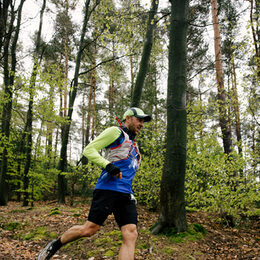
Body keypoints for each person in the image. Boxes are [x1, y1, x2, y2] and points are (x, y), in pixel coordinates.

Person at [37, 107, 151, 260]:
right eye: (139, 119)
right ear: (128, 118)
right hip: (108, 189)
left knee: (131, 233)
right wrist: (108, 165)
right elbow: (89, 150)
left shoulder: (134, 145)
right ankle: (55, 245)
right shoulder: (116, 132)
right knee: (89, 230)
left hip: (126, 193)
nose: (142, 124)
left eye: (144, 121)